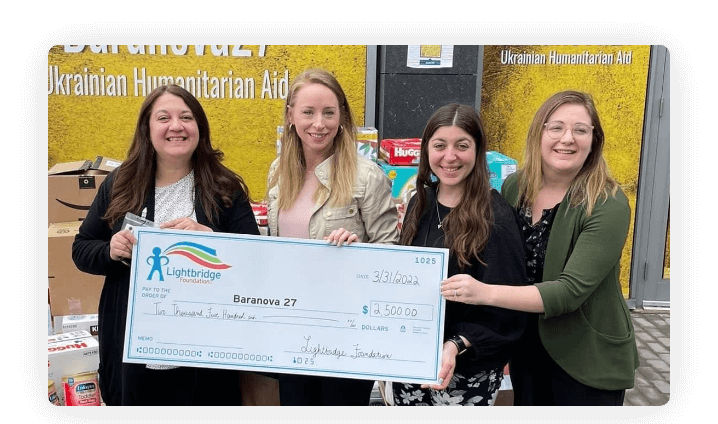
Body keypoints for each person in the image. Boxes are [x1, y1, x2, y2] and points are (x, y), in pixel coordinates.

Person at [442, 91, 638, 406]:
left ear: (594, 140)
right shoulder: (515, 187)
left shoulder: (607, 203)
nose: (567, 138)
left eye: (580, 130)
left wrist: (483, 292)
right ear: (539, 133)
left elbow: (569, 293)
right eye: (556, 127)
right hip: (526, 350)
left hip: (586, 358)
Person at [72, 84, 260, 406]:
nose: (176, 126)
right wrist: (110, 250)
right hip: (133, 350)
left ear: (199, 127)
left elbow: (255, 261)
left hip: (205, 352)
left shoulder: (224, 188)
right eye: (163, 118)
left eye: (186, 117)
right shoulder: (120, 183)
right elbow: (82, 248)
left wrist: (211, 240)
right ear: (147, 129)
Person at [266, 68, 399, 405]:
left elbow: (392, 254)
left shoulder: (366, 176)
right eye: (308, 112)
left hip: (347, 332)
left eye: (328, 112)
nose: (319, 123)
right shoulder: (278, 171)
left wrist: (359, 251)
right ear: (291, 116)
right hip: (291, 326)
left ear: (342, 116)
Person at [392, 104, 528, 406]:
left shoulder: (495, 217)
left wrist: (456, 344)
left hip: (465, 373)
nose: (450, 156)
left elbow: (508, 311)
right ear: (427, 150)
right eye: (440, 145)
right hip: (413, 362)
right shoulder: (420, 202)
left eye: (462, 146)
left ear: (477, 151)